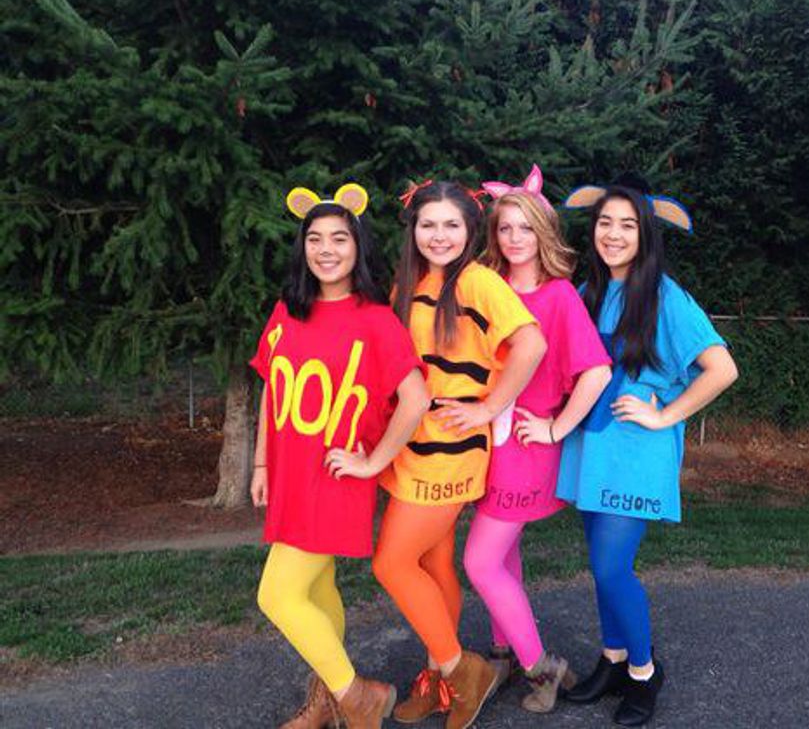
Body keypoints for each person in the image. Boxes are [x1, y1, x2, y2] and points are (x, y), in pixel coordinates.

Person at [557, 177, 739, 727]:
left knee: (612, 567)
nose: (613, 234)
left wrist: (665, 414)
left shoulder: (663, 296)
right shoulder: (589, 291)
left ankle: (643, 672)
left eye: (627, 225)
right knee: (600, 566)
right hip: (592, 447)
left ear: (646, 234)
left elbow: (722, 369)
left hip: (635, 453)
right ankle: (613, 660)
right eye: (605, 223)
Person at [250, 184, 429, 729]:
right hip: (290, 473)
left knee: (277, 594)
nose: (326, 249)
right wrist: (261, 463)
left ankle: (357, 695)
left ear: (358, 246)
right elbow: (271, 387)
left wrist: (373, 462)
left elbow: (416, 398)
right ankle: (328, 702)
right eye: (315, 239)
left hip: (333, 476)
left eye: (339, 239)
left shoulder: (375, 319)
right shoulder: (288, 310)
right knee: (317, 586)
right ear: (303, 246)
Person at [372, 180, 547, 729]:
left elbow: (532, 343)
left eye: (451, 225)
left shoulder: (477, 281)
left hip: (449, 448)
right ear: (413, 230)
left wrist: (489, 405)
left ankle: (464, 671)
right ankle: (440, 682)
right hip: (412, 442)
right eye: (428, 224)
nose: (439, 235)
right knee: (432, 564)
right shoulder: (409, 283)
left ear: (470, 231)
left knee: (391, 563)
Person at [462, 165, 612, 713]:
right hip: (486, 441)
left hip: (527, 447)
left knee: (480, 561)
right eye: (504, 228)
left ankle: (542, 667)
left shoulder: (559, 297)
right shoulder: (488, 289)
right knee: (504, 554)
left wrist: (555, 427)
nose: (514, 238)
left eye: (526, 227)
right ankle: (502, 651)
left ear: (544, 232)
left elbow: (596, 372)